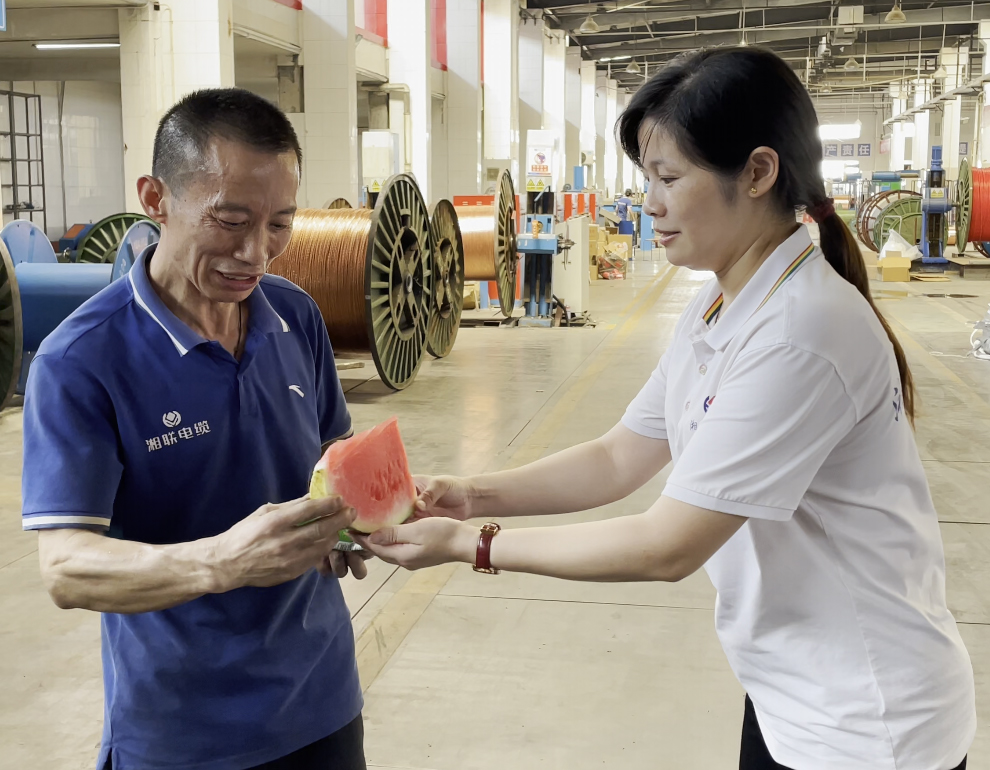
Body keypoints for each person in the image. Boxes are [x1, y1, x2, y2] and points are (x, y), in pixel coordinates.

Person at [354, 48, 976, 770]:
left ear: (758, 172)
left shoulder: (802, 333)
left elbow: (667, 546)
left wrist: (472, 545)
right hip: (792, 692)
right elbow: (618, 457)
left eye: (669, 178)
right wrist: (470, 494)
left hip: (868, 724)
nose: (649, 203)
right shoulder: (721, 302)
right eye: (647, 177)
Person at [22, 89, 369, 770]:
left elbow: (331, 456)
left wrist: (354, 522)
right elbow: (66, 568)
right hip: (183, 732)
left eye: (280, 224)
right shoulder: (82, 360)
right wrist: (221, 562)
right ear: (156, 198)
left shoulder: (296, 316)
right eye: (230, 220)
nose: (256, 253)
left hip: (322, 702)